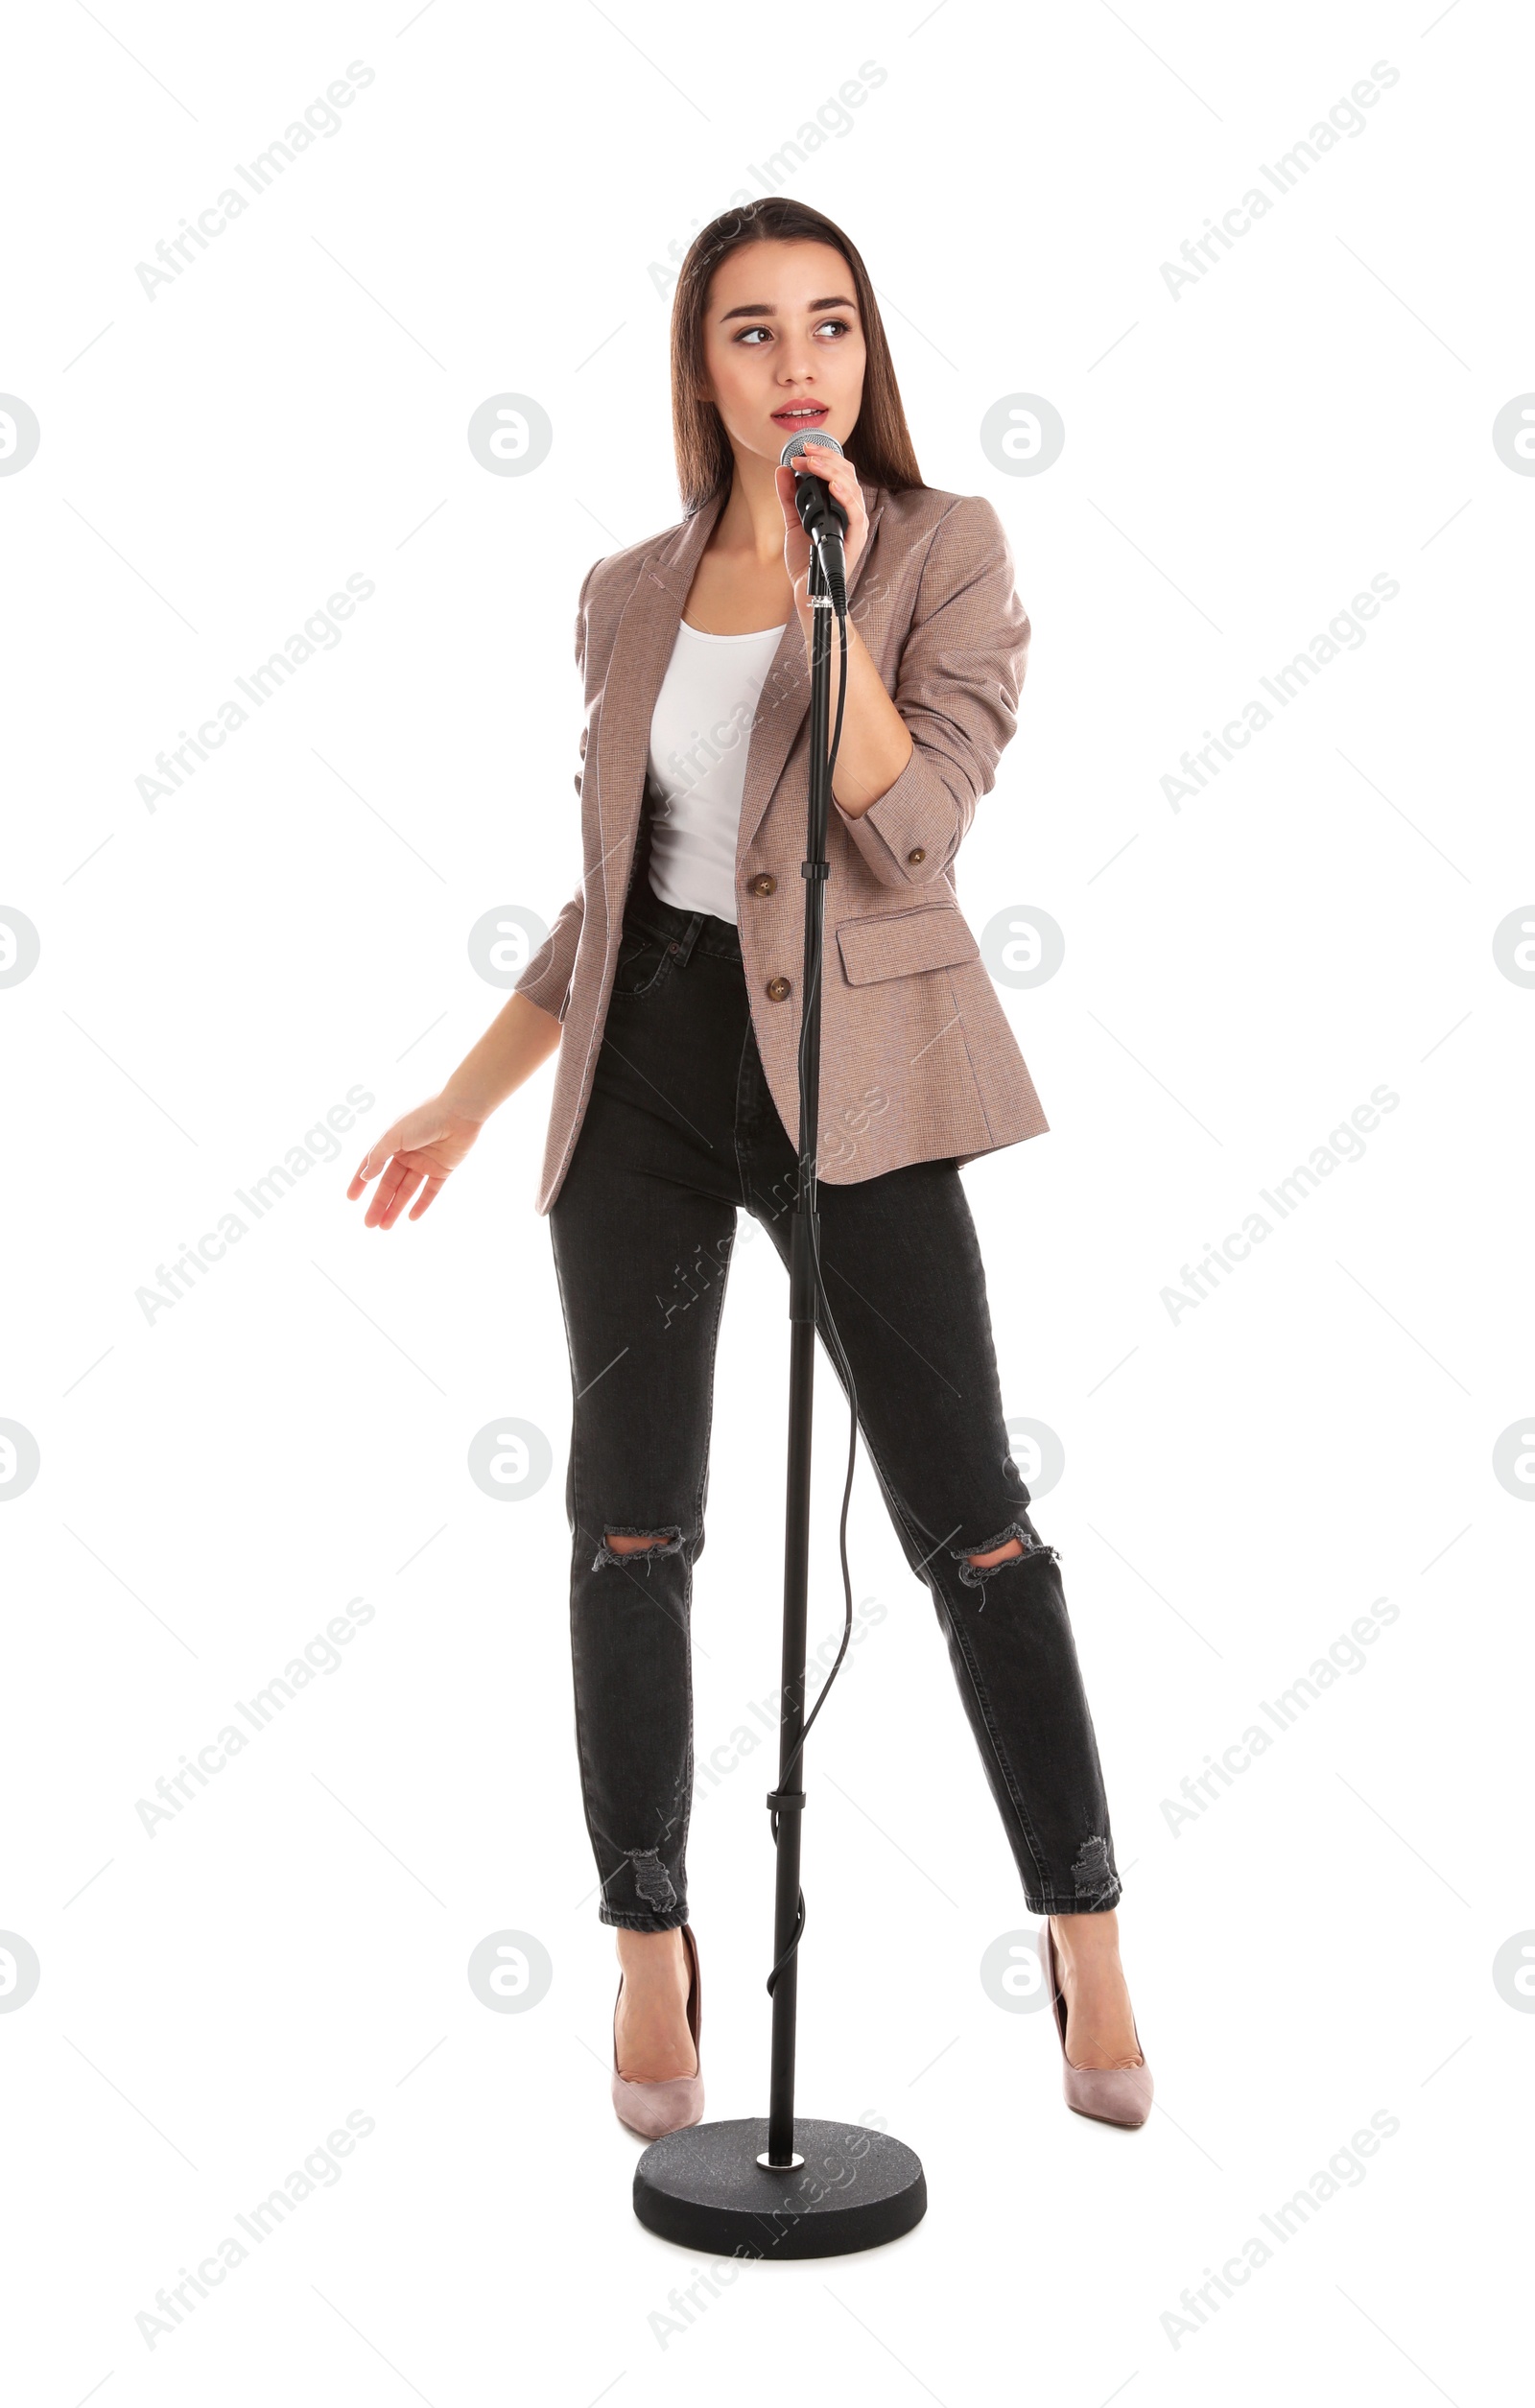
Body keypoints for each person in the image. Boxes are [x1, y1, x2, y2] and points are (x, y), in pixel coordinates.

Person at [346, 198, 1150, 2136]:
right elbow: (617, 898)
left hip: (851, 1067)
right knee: (629, 1526)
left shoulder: (942, 550)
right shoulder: (623, 589)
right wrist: (466, 1091)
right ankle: (646, 1942)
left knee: (970, 1520)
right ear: (698, 367)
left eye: (831, 326)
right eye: (750, 332)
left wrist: (831, 596)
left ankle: (1085, 1925)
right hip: (646, 1065)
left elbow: (915, 826)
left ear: (868, 352)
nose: (797, 364)